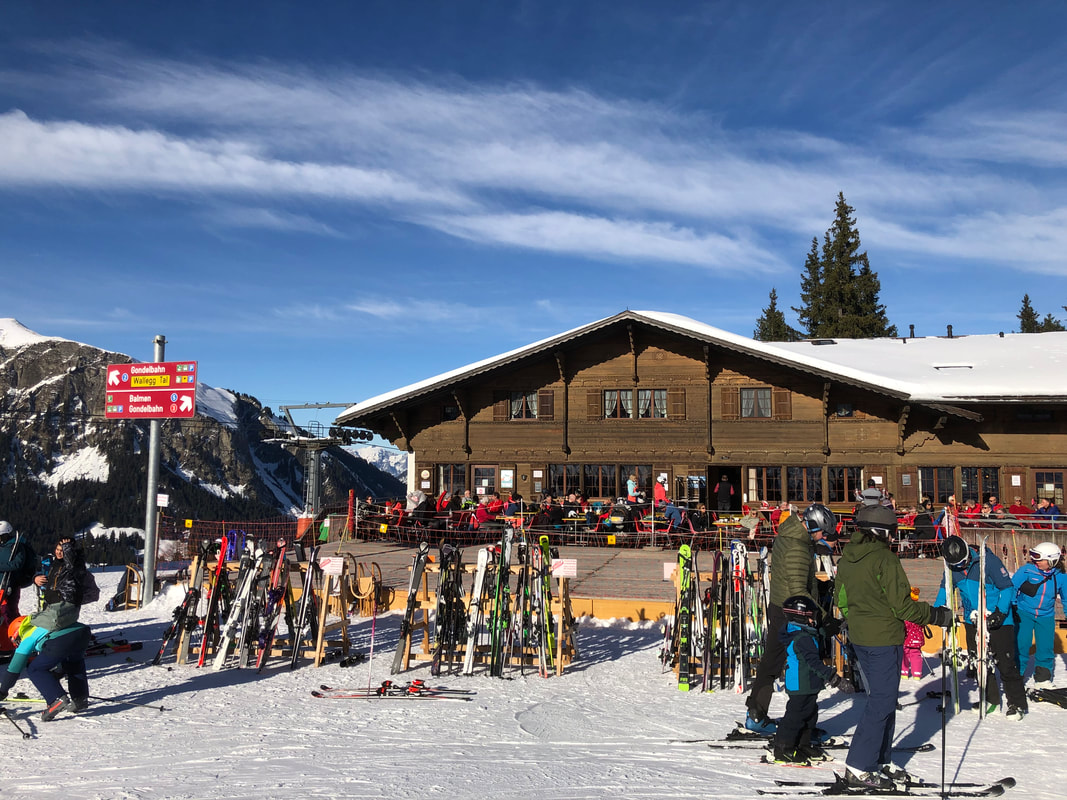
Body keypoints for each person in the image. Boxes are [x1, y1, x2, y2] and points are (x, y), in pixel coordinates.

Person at [834, 504, 953, 790]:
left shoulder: (848, 558)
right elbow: (903, 606)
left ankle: (879, 759)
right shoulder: (885, 559)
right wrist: (937, 615)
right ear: (883, 532)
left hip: (862, 636)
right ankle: (859, 765)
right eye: (892, 532)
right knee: (882, 702)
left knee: (883, 700)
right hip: (884, 638)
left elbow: (842, 598)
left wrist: (860, 621)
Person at [744, 503, 838, 734]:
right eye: (821, 532)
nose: (822, 537)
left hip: (781, 605)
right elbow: (798, 589)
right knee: (802, 666)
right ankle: (798, 724)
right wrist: (825, 618)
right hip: (791, 612)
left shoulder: (792, 534)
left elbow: (796, 579)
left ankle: (757, 714)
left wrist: (819, 587)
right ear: (812, 526)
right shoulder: (798, 546)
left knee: (773, 661)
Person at [936, 535, 1027, 719]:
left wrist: (1001, 612)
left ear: (968, 554)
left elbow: (1006, 587)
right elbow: (945, 589)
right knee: (979, 661)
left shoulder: (988, 561)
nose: (960, 568)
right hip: (972, 619)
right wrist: (939, 611)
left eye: (963, 563)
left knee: (1005, 662)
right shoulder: (951, 566)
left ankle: (1017, 704)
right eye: (956, 565)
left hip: (998, 618)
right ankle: (991, 699)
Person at [770, 595, 855, 765]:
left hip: (809, 684)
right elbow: (814, 663)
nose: (813, 620)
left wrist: (836, 626)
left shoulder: (803, 633)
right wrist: (835, 680)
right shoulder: (802, 638)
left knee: (809, 715)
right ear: (800, 616)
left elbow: (819, 634)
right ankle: (783, 748)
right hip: (801, 684)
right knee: (795, 716)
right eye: (811, 616)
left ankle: (803, 744)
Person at [0, 613, 91, 721]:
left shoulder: (29, 635)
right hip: (82, 632)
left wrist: (2, 691)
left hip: (62, 639)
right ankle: (80, 698)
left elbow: (14, 670)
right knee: (74, 664)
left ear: (17, 633)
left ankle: (56, 699)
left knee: (35, 669)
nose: (17, 645)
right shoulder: (43, 624)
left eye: (16, 642)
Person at [1012, 541, 1067, 687]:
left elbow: (1066, 598)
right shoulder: (1027, 570)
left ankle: (1042, 679)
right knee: (1022, 644)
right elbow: (1012, 587)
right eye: (1034, 558)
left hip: (1046, 616)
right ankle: (1017, 676)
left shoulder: (1060, 576)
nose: (1036, 561)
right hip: (1024, 613)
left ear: (1052, 560)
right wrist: (1012, 607)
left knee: (1045, 647)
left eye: (1040, 559)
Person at [0, 521, 31, 629]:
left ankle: (16, 633)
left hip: (11, 585)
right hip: (1, 585)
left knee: (9, 612)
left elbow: (17, 564)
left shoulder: (16, 546)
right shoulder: (2, 547)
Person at [901, 588, 926, 679]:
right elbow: (923, 623)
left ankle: (904, 672)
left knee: (904, 654)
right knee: (916, 655)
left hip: (907, 638)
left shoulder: (906, 612)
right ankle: (917, 674)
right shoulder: (919, 611)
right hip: (917, 638)